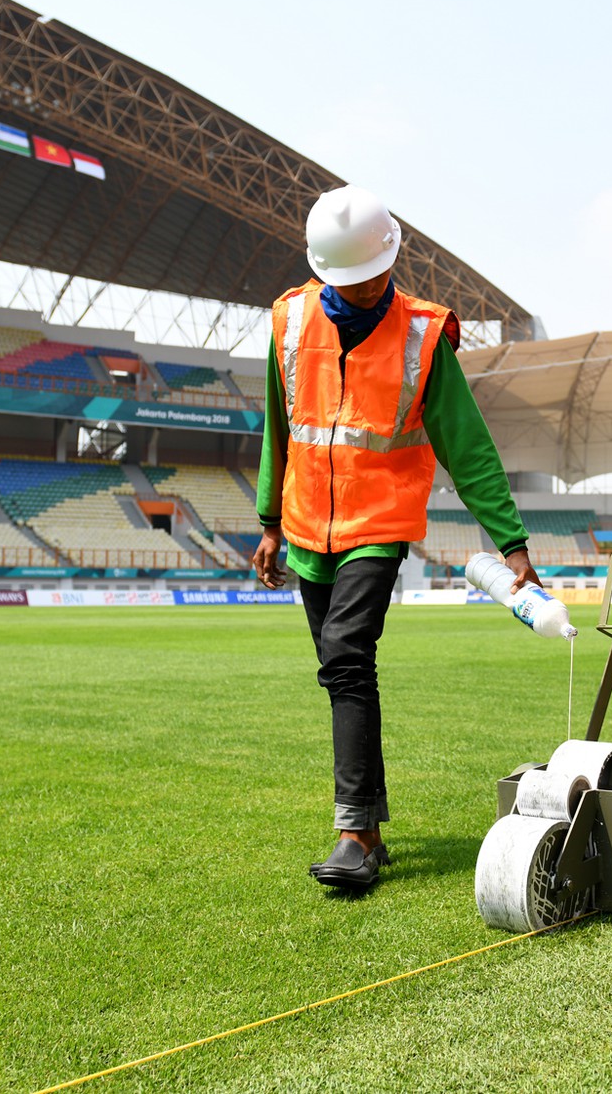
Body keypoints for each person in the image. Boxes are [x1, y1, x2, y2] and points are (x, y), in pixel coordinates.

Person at [253, 185, 538, 891]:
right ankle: (370, 827)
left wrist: (512, 540)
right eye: (346, 280)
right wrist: (265, 521)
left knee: (347, 654)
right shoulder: (288, 322)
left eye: (374, 274)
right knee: (339, 668)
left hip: (378, 524)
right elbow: (276, 423)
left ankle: (352, 831)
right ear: (322, 271)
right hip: (303, 527)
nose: (364, 289)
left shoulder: (422, 333)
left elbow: (465, 443)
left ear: (392, 258)